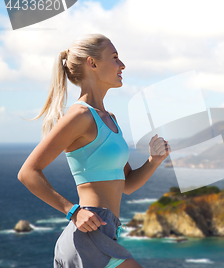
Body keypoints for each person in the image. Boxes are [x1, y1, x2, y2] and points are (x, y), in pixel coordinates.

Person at [17, 33, 169, 268]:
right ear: (92, 63)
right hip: (88, 234)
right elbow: (28, 172)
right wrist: (73, 211)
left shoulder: (111, 119)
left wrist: (154, 160)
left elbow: (126, 184)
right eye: (115, 57)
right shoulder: (80, 116)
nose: (122, 65)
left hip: (105, 232)